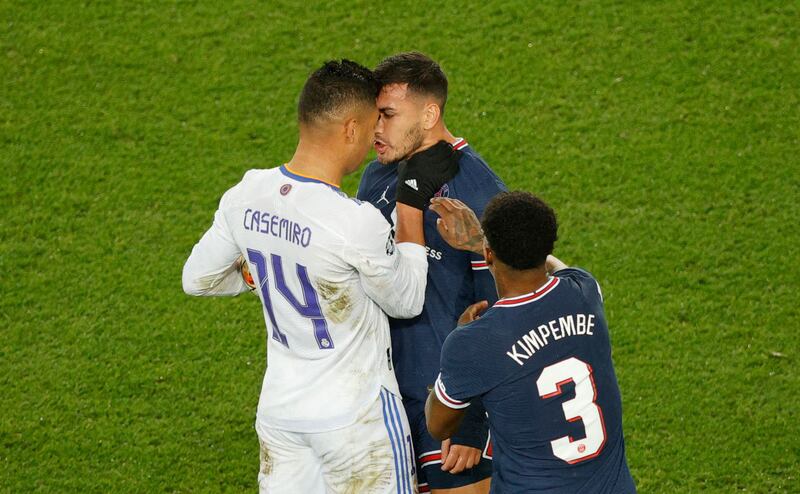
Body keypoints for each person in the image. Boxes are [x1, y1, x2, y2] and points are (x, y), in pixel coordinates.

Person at [183, 59, 454, 494]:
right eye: (370, 127)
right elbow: (406, 299)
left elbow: (197, 278)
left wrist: (257, 273)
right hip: (355, 423)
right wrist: (410, 204)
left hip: (282, 417)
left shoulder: (246, 194)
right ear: (349, 129)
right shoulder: (353, 221)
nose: (372, 140)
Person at [358, 52, 506, 494]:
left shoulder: (478, 189)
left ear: (429, 113)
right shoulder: (376, 177)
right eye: (373, 116)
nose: (375, 129)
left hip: (446, 402)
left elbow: (501, 304)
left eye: (387, 115)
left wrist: (471, 415)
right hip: (381, 394)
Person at [425, 193, 637, 493]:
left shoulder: (474, 341)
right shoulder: (585, 293)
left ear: (489, 255)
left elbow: (438, 425)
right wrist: (485, 242)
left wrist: (456, 345)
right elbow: (558, 267)